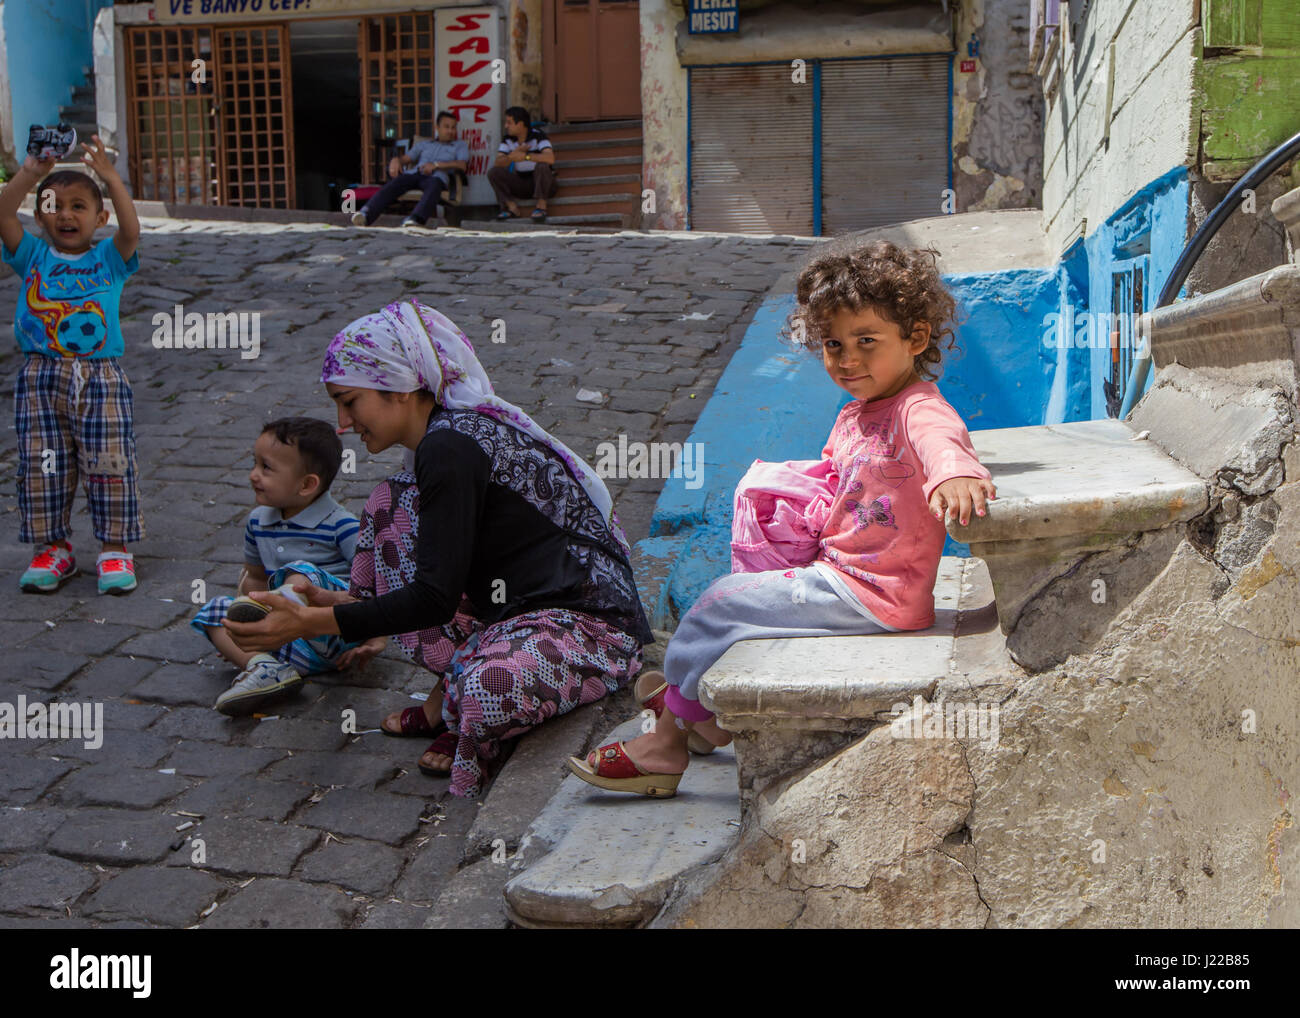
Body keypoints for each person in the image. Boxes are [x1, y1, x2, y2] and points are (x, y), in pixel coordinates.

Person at [568, 241, 998, 798]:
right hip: (843, 576)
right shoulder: (857, 412)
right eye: (833, 344)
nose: (847, 359)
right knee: (742, 602)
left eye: (867, 341)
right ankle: (703, 717)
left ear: (915, 338)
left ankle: (667, 743)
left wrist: (954, 474)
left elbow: (942, 439)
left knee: (718, 606)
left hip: (873, 594)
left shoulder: (917, 407)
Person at [224, 300, 653, 797]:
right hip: (510, 611)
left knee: (488, 688)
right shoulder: (440, 440)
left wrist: (308, 623)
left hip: (590, 628)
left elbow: (434, 598)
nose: (342, 423)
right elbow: (444, 574)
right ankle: (447, 696)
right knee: (391, 503)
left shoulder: (449, 447)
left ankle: (455, 702)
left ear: (400, 389)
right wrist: (344, 606)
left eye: (350, 401)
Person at [0, 135, 143, 595]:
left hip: (100, 377)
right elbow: (2, 214)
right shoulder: (33, 256)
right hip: (40, 377)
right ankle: (52, 549)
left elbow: (132, 231)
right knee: (44, 466)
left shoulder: (109, 258)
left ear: (99, 217)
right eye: (53, 205)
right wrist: (31, 173)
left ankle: (115, 549)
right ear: (40, 214)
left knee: (109, 462)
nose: (65, 214)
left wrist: (110, 178)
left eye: (78, 206)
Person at [190, 417, 372, 716]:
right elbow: (256, 578)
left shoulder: (343, 526)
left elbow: (377, 586)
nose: (253, 475)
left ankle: (280, 611)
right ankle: (264, 666)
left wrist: (375, 640)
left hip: (333, 636)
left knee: (299, 570)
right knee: (213, 611)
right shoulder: (258, 521)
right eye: (255, 464)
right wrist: (245, 624)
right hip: (287, 640)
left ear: (307, 484)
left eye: (266, 468)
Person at [351, 111, 469, 228]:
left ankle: (415, 220)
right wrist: (396, 160)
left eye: (453, 127)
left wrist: (436, 165)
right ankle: (365, 215)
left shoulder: (460, 145)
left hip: (436, 177)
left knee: (434, 186)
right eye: (446, 127)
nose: (451, 131)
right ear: (437, 127)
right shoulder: (425, 144)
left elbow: (462, 165)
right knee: (394, 184)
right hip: (415, 174)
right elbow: (407, 158)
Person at [487, 106, 556, 223]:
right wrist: (512, 155)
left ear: (520, 124)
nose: (506, 126)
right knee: (494, 172)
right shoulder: (507, 139)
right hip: (521, 183)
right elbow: (498, 162)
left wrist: (526, 156)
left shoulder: (538, 136)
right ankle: (510, 207)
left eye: (509, 123)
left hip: (544, 183)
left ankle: (541, 206)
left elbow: (550, 158)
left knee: (542, 166)